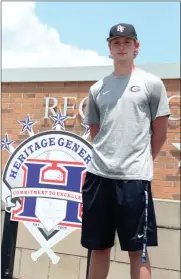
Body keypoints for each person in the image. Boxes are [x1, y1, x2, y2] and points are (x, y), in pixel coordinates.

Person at [81, 23, 170, 279]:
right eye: (116, 42)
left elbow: (160, 133)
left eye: (127, 42)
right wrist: (107, 158)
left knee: (137, 251)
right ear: (109, 48)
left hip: (134, 180)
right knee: (98, 249)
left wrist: (140, 162)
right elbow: (97, 132)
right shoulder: (98, 88)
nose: (122, 47)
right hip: (99, 178)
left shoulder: (152, 84)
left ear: (136, 47)